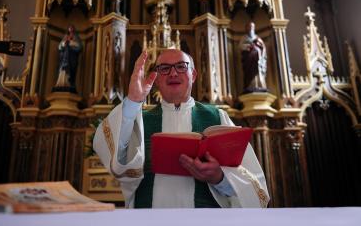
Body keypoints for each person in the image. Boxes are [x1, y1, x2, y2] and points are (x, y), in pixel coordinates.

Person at [93, 49, 269, 208]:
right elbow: (115, 158)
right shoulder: (138, 119)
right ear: (156, 78)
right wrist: (132, 101)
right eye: (164, 68)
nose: (173, 73)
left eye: (181, 66)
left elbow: (251, 181)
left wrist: (219, 177)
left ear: (193, 75)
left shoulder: (217, 118)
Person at [239, 22, 267, 93]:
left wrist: (259, 46)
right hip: (249, 60)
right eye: (249, 27)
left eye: (252, 27)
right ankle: (250, 85)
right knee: (249, 74)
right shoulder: (244, 38)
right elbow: (240, 47)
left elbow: (263, 47)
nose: (251, 28)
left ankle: (260, 85)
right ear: (246, 28)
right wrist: (249, 46)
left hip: (258, 61)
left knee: (258, 72)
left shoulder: (257, 37)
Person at [54, 25, 83, 92]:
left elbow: (80, 47)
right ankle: (61, 84)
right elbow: (59, 47)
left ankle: (70, 84)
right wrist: (65, 43)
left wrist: (71, 43)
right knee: (63, 71)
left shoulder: (76, 38)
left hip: (72, 59)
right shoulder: (65, 37)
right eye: (69, 30)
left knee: (71, 72)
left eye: (72, 30)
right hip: (63, 60)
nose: (70, 32)